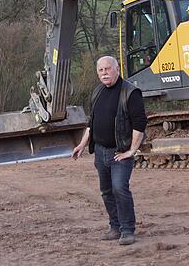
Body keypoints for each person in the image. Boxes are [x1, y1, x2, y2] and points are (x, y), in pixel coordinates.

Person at [71, 56, 147, 245]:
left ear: (117, 69)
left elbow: (140, 123)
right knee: (106, 191)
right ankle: (115, 227)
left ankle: (128, 230)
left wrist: (132, 150)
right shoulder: (97, 92)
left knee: (120, 189)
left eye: (107, 69)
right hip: (100, 151)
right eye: (100, 70)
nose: (104, 73)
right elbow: (92, 123)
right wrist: (82, 144)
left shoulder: (130, 92)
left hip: (119, 152)